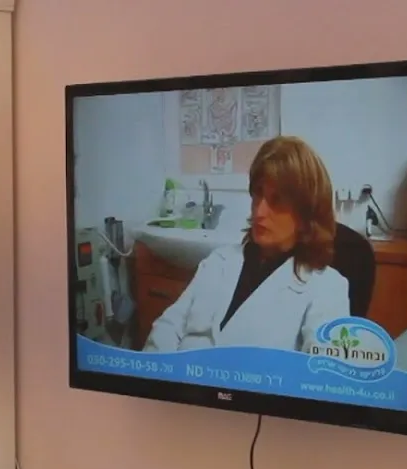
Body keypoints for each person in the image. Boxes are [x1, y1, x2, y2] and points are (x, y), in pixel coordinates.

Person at [144, 136, 349, 353]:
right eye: (258, 194)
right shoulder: (218, 261)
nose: (259, 211)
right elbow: (168, 326)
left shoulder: (327, 288)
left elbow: (321, 368)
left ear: (305, 212)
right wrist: (158, 369)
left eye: (276, 200)